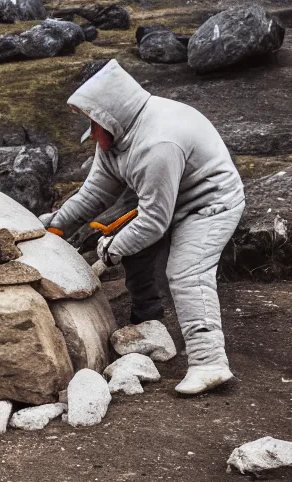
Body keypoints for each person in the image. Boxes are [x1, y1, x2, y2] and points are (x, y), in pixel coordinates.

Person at [45, 59, 245, 395]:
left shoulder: (157, 144)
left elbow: (153, 221)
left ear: (112, 116)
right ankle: (149, 325)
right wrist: (55, 228)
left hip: (209, 204)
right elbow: (94, 193)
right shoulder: (116, 135)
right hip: (168, 198)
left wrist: (113, 250)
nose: (92, 132)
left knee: (186, 272)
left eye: (94, 124)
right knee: (130, 244)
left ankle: (210, 364)